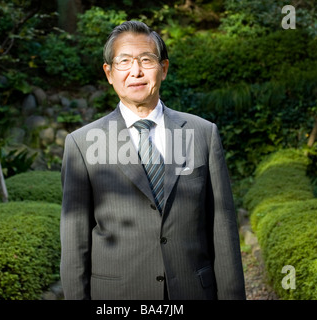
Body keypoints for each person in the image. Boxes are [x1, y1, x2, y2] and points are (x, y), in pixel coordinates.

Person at [60, 20, 246, 300]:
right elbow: (75, 243)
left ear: (164, 69)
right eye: (124, 62)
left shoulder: (202, 134)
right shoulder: (82, 143)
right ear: (109, 73)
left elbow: (222, 228)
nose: (136, 71)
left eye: (146, 60)